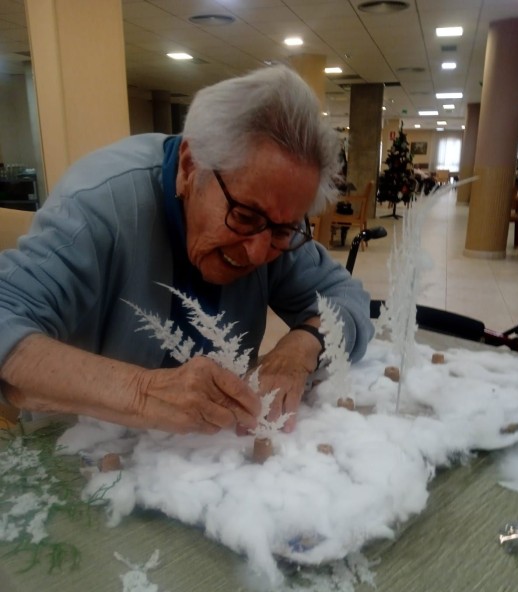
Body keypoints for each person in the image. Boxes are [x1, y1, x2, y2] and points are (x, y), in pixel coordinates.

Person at [0, 65, 373, 436]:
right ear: (189, 167)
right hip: (83, 445)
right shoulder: (99, 203)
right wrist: (143, 392)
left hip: (206, 456)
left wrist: (301, 347)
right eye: (244, 216)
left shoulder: (271, 220)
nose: (258, 253)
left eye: (283, 229)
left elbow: (348, 298)